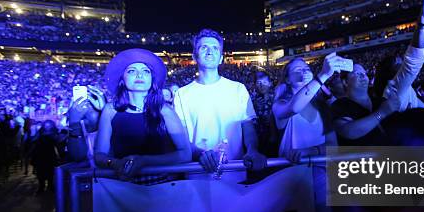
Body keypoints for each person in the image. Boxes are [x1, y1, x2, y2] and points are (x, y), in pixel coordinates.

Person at [173, 29, 266, 179]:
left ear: (221, 58)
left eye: (215, 48)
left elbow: (247, 126)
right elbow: (182, 137)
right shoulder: (181, 94)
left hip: (234, 172)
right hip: (198, 174)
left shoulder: (238, 89)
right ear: (194, 56)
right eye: (204, 47)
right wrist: (200, 153)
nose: (210, 52)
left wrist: (252, 150)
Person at [95, 49, 191, 179]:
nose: (139, 75)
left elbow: (185, 154)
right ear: (122, 78)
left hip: (159, 186)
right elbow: (99, 155)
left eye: (146, 71)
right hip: (120, 186)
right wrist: (115, 164)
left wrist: (143, 161)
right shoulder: (110, 111)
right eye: (132, 71)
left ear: (152, 79)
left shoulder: (165, 111)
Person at [371, 0, 424, 111]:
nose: (403, 64)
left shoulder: (405, 89)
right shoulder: (393, 88)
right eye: (399, 64)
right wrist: (423, 20)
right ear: (388, 72)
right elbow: (413, 61)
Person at [273, 55, 340, 162]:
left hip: (321, 171)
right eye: (298, 70)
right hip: (291, 173)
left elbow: (333, 144)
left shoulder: (322, 106)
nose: (304, 72)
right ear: (288, 80)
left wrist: (310, 151)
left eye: (307, 69)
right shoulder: (280, 104)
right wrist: (322, 75)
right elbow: (294, 108)